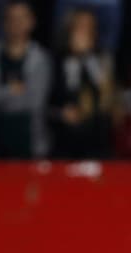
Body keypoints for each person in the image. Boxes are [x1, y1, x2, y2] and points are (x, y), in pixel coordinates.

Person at [0, 0, 50, 158]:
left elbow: (34, 102)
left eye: (22, 18)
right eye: (12, 18)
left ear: (32, 22)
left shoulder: (41, 58)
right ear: (3, 22)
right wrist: (9, 90)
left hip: (27, 140)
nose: (17, 24)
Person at [48, 7, 116, 159]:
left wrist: (86, 58)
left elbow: (109, 98)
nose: (86, 32)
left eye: (90, 27)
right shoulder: (55, 61)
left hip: (98, 143)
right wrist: (61, 114)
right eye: (81, 27)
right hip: (63, 143)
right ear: (69, 30)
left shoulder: (103, 59)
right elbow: (45, 104)